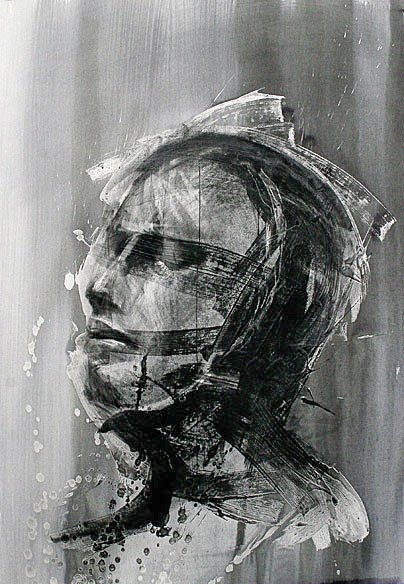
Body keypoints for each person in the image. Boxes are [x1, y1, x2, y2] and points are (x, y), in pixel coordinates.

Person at [52, 92, 394, 555]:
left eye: (167, 258)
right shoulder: (89, 489)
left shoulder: (292, 535)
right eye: (111, 243)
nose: (98, 286)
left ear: (268, 315)